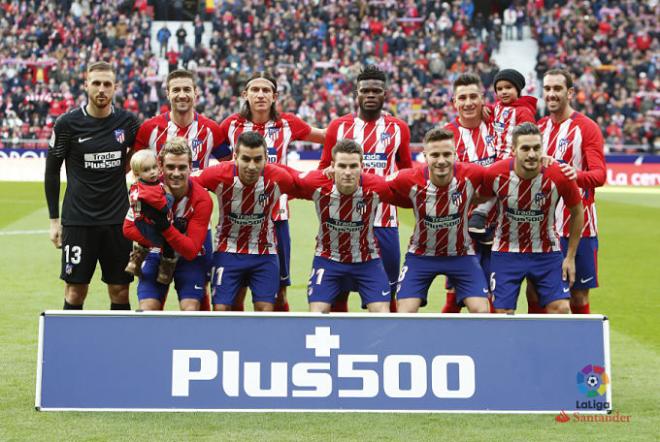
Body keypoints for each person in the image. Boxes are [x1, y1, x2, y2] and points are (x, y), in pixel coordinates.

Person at [218, 71, 325, 312]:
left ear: (275, 96)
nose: (260, 94)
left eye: (266, 90)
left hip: (276, 219)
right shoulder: (231, 125)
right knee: (237, 292)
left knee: (278, 291)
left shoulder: (288, 123)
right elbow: (217, 153)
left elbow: (327, 138)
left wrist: (326, 167)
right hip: (238, 220)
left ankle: (277, 342)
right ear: (245, 94)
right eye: (255, 90)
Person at [44, 61, 140, 310]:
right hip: (78, 220)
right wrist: (54, 220)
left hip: (118, 221)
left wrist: (126, 166)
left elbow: (140, 156)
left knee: (120, 290)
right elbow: (52, 171)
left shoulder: (127, 123)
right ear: (86, 85)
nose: (101, 89)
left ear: (115, 88)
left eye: (107, 84)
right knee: (75, 291)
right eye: (96, 83)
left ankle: (120, 349)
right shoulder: (67, 124)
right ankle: (70, 349)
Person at [318, 65, 412, 312]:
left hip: (384, 222)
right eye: (365, 90)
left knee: (387, 292)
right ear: (356, 94)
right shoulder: (338, 127)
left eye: (376, 91)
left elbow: (406, 172)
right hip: (342, 222)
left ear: (385, 94)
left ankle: (384, 345)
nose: (370, 95)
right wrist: (327, 174)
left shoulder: (398, 128)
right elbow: (322, 169)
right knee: (338, 294)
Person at [135, 68, 230, 311]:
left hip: (196, 224)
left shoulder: (211, 130)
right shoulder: (150, 129)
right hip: (157, 224)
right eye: (176, 89)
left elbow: (229, 169)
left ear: (196, 93)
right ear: (167, 93)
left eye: (187, 89)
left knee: (197, 299)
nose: (182, 94)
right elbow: (132, 168)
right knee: (151, 301)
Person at [289, 139, 410, 313]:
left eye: (353, 166)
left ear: (362, 166)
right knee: (316, 313)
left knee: (383, 313)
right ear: (332, 166)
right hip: (328, 259)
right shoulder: (315, 182)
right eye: (342, 166)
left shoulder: (377, 186)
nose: (347, 172)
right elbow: (286, 176)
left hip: (367, 261)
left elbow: (409, 193)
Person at [480, 122, 584, 314]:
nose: (532, 154)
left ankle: (546, 345)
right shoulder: (495, 174)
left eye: (536, 148)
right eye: (525, 148)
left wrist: (570, 257)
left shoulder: (559, 175)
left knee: (561, 309)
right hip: (506, 251)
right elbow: (478, 199)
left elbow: (578, 211)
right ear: (513, 150)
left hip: (546, 252)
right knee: (502, 314)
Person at [388, 129, 490, 313]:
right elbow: (374, 184)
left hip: (461, 255)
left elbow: (503, 176)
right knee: (404, 314)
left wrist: (545, 162)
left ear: (455, 154)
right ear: (425, 156)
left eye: (446, 154)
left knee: (482, 312)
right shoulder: (408, 178)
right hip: (421, 255)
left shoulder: (472, 173)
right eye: (435, 155)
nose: (441, 161)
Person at [195, 131, 298, 312]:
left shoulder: (278, 178)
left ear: (266, 159)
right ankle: (228, 342)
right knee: (221, 309)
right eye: (245, 159)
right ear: (235, 157)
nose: (251, 166)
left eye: (258, 160)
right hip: (227, 250)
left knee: (265, 309)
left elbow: (309, 185)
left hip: (264, 252)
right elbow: (186, 183)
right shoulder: (217, 175)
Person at [536, 68, 606, 314]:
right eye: (547, 89)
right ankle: (538, 348)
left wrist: (571, 174)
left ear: (570, 92)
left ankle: (582, 351)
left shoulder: (586, 128)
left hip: (579, 226)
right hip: (542, 226)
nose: (552, 94)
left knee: (577, 295)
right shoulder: (539, 128)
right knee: (535, 291)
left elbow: (599, 176)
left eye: (557, 89)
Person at [123, 138, 213, 311]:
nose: (176, 173)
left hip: (189, 260)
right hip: (156, 254)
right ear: (161, 167)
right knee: (148, 309)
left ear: (190, 167)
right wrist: (166, 240)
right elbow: (128, 229)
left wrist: (163, 227)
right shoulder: (145, 190)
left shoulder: (201, 199)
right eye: (171, 167)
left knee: (191, 308)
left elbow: (191, 249)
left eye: (182, 167)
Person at [441, 73, 502, 313]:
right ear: (454, 102)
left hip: (501, 227)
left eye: (473, 97)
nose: (468, 103)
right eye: (462, 98)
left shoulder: (498, 127)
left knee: (498, 297)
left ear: (483, 99)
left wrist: (495, 111)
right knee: (455, 298)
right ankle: (444, 347)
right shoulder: (446, 136)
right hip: (462, 229)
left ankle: (498, 348)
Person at [124, 149, 176, 284]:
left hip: (140, 221)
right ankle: (165, 268)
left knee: (147, 241)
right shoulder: (148, 191)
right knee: (166, 242)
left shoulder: (140, 185)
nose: (153, 172)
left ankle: (134, 263)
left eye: (154, 167)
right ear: (137, 174)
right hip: (144, 223)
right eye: (147, 170)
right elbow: (165, 207)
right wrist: (170, 194)